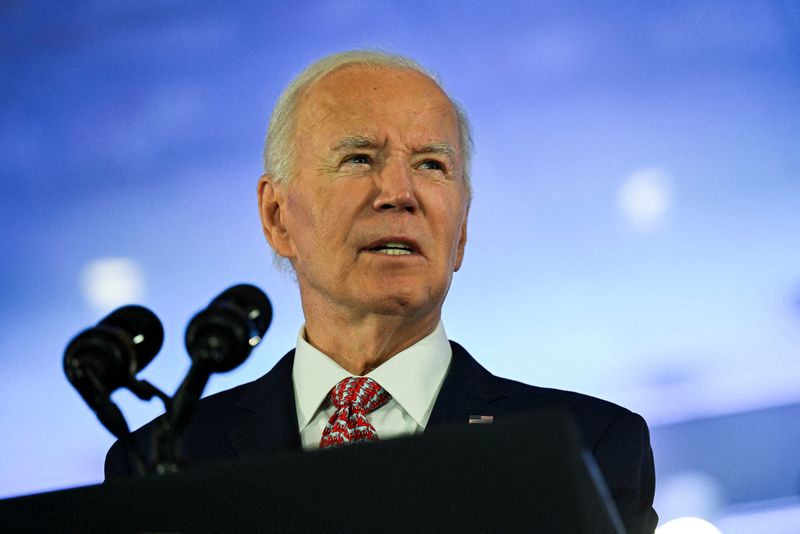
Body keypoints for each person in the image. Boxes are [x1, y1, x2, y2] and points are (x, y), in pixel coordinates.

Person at [106, 50, 657, 532]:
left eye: (431, 165)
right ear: (277, 217)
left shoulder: (590, 445)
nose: (399, 192)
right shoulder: (165, 464)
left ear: (460, 232)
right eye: (359, 159)